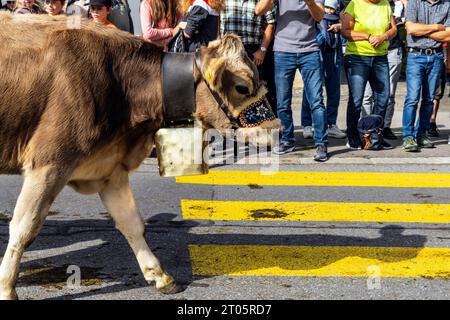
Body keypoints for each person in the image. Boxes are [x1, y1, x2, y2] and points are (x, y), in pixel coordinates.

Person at [255, 0, 329, 162]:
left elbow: (319, 17)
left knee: (316, 101)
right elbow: (259, 11)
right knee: (282, 102)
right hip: (283, 51)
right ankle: (288, 140)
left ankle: (321, 143)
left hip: (310, 51)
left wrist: (309, 2)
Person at [341, 0, 397, 150]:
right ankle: (352, 136)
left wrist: (384, 37)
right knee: (357, 99)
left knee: (383, 98)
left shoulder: (385, 4)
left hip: (380, 57)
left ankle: (374, 136)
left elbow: (394, 29)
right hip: (357, 58)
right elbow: (345, 31)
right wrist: (367, 36)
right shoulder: (354, 4)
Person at [401, 0, 450, 151]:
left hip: (436, 57)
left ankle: (421, 134)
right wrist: (436, 27)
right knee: (412, 98)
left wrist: (423, 31)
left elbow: (448, 35)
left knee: (429, 99)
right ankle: (408, 136)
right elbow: (410, 29)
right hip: (416, 56)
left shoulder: (447, 4)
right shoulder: (414, 2)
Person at [301, 0, 347, 140]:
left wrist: (341, 25)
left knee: (334, 89)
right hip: (315, 47)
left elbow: (347, 16)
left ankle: (331, 124)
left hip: (334, 48)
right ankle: (307, 124)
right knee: (311, 88)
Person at [362, 0, 404, 141]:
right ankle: (366, 129)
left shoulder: (396, 4)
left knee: (389, 94)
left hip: (392, 50)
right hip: (369, 51)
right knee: (366, 94)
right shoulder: (363, 3)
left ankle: (384, 127)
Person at [220, 0, 275, 80]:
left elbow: (270, 23)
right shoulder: (223, 1)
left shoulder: (260, 1)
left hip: (254, 53)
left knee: (255, 86)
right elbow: (215, 20)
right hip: (228, 50)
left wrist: (262, 50)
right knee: (228, 86)